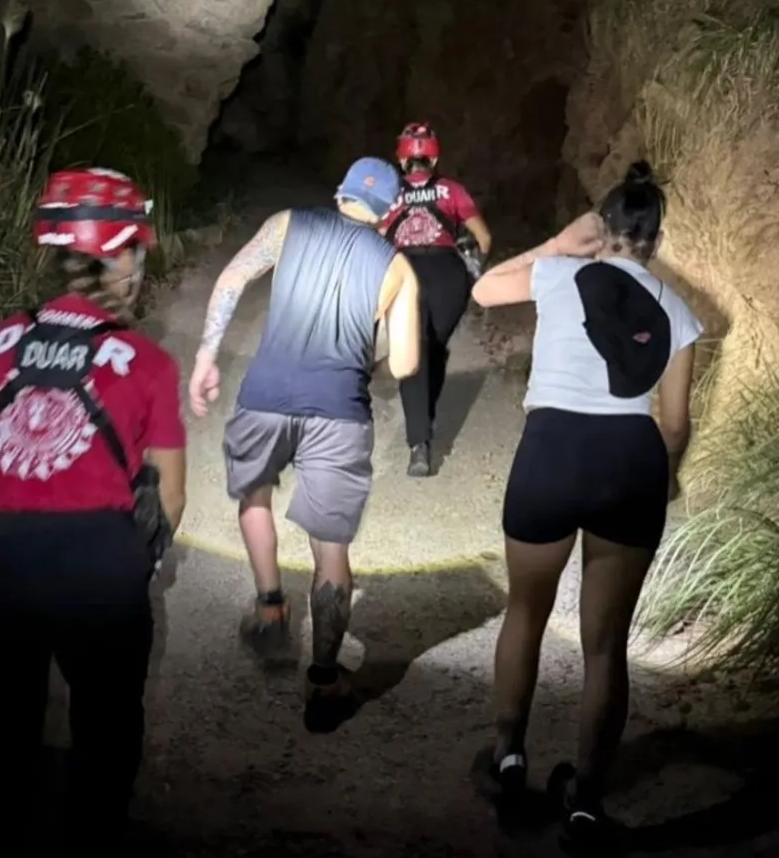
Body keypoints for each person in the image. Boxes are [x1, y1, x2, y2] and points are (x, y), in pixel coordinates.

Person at [0, 168, 188, 855]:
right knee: (105, 738)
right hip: (95, 568)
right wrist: (141, 561)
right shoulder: (146, 361)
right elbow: (169, 495)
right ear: (125, 258)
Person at [471, 161, 703, 854]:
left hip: (552, 449)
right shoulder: (676, 310)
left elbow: (484, 289)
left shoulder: (558, 274)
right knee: (606, 645)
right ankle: (586, 804)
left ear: (603, 227)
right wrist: (661, 478)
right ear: (655, 239)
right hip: (628, 458)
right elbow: (676, 424)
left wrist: (557, 244)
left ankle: (510, 758)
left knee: (526, 612)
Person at [188, 157, 421, 734]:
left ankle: (271, 606)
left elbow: (231, 279)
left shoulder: (288, 223)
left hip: (265, 395)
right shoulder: (397, 268)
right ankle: (323, 679)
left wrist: (205, 357)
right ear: (389, 212)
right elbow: (409, 362)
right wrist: (369, 348)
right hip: (339, 411)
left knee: (255, 496)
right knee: (331, 547)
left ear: (339, 192)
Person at [380, 122, 493, 476]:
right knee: (433, 347)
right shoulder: (452, 190)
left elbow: (375, 239)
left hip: (404, 272)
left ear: (401, 160)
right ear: (435, 156)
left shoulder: (388, 194)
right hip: (448, 276)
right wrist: (473, 265)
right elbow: (484, 239)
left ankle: (419, 444)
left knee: (412, 351)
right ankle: (424, 420)